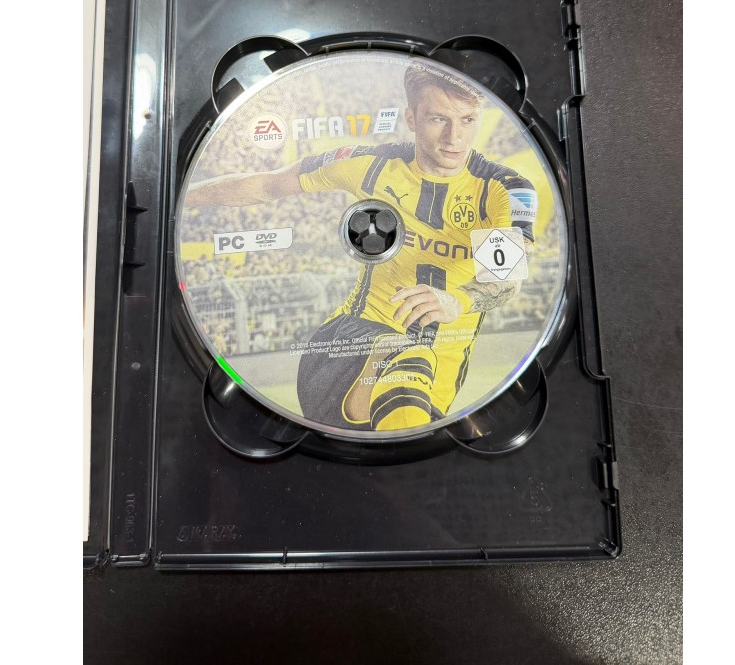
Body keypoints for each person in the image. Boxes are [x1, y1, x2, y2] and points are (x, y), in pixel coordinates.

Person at [186, 62, 536, 431]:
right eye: (438, 119)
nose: (455, 137)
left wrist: (456, 301)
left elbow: (507, 278)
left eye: (467, 120)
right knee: (407, 355)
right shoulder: (371, 165)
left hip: (438, 382)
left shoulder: (506, 189)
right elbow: (266, 185)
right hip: (347, 350)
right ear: (412, 118)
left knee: (394, 446)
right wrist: (179, 197)